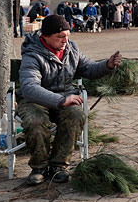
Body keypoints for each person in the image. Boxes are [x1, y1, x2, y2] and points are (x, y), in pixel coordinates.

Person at [18, 15, 122, 185]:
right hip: (35, 100)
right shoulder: (33, 55)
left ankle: (59, 165)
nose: (65, 40)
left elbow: (88, 68)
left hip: (65, 98)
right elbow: (29, 88)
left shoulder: (71, 49)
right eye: (60, 37)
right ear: (45, 36)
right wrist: (60, 100)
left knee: (75, 115)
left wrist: (107, 65)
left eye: (67, 35)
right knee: (35, 121)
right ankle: (39, 167)